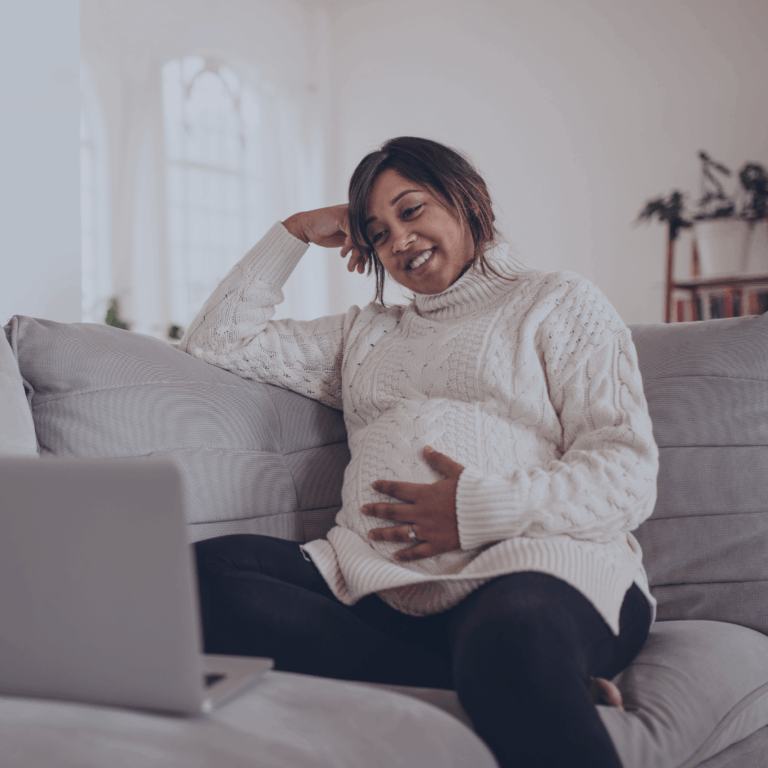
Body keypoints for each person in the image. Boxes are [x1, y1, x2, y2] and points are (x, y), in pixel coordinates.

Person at [182, 136, 659, 768]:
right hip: (372, 581)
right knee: (197, 579)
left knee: (511, 636)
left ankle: (514, 670)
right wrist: (294, 232)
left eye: (412, 211)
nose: (398, 240)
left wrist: (478, 510)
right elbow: (217, 342)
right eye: (376, 232)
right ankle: (501, 681)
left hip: (536, 569)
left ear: (470, 200)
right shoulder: (365, 332)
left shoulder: (558, 301)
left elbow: (627, 473)